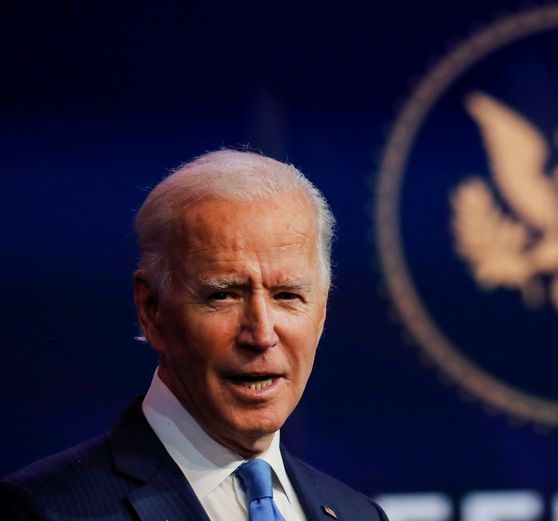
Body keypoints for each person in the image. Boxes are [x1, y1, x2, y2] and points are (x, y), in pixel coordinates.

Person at [0, 149, 389, 521]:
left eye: (287, 295)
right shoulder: (39, 510)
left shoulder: (358, 513)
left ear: (320, 311)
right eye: (223, 295)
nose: (260, 334)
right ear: (151, 309)